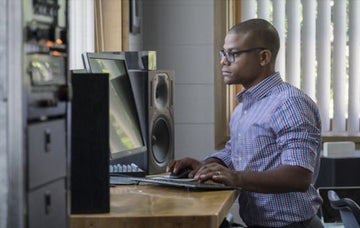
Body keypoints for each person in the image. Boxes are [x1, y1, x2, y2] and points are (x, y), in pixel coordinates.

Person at [167, 19, 324, 228]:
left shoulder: (289, 104)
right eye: (223, 53)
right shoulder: (244, 106)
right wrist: (207, 166)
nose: (224, 61)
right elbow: (239, 152)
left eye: (233, 54)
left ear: (263, 57)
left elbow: (299, 175)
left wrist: (236, 178)